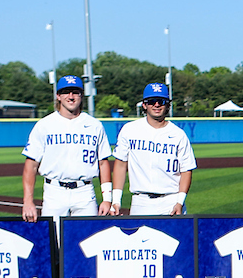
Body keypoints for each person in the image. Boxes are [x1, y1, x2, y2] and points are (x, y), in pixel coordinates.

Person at [21, 75, 112, 222]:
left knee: (86, 240)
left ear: (81, 95)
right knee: (54, 241)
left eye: (75, 92)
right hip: (54, 192)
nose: (71, 96)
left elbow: (103, 163)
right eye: (66, 92)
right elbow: (31, 165)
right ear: (58, 96)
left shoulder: (94, 125)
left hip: (85, 192)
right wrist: (28, 201)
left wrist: (107, 199)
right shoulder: (45, 125)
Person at [110, 83, 197, 216]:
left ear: (168, 105)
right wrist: (116, 201)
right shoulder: (130, 130)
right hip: (141, 201)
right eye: (152, 101)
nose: (156, 105)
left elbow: (186, 170)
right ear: (144, 105)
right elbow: (120, 165)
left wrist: (179, 202)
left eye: (161, 101)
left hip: (171, 200)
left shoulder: (178, 134)